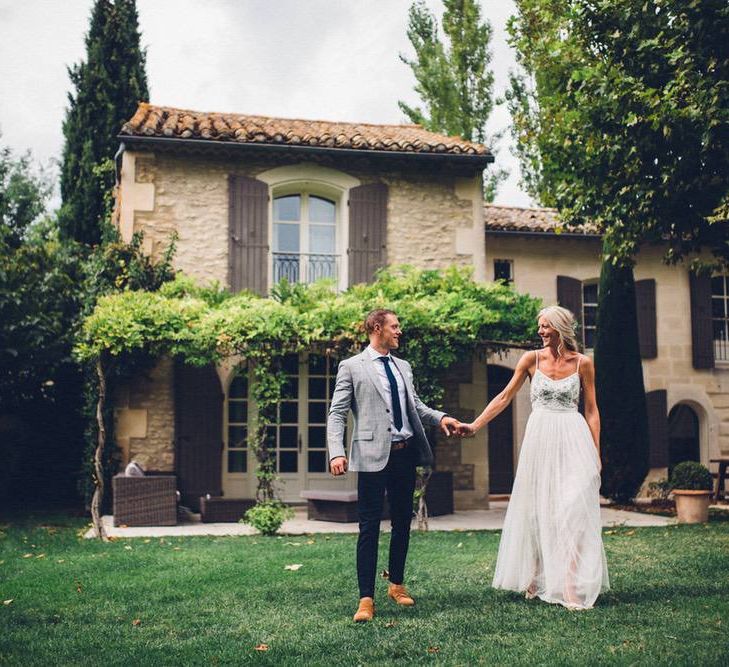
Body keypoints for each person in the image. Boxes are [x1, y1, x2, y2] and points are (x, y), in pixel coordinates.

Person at [459, 305, 609, 610]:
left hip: (574, 438)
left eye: (545, 326)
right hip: (540, 439)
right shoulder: (531, 360)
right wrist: (475, 425)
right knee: (539, 510)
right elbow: (503, 397)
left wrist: (596, 452)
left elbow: (592, 410)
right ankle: (537, 575)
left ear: (560, 328)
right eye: (539, 327)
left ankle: (568, 585)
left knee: (573, 511)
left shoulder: (583, 364)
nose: (540, 332)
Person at [327, 309, 460, 623]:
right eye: (395, 326)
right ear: (377, 328)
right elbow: (337, 414)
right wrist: (336, 451)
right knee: (369, 527)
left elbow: (415, 406)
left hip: (404, 454)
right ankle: (366, 599)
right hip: (371, 456)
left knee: (402, 521)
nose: (399, 331)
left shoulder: (404, 366)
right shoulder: (352, 367)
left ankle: (396, 584)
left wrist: (441, 417)